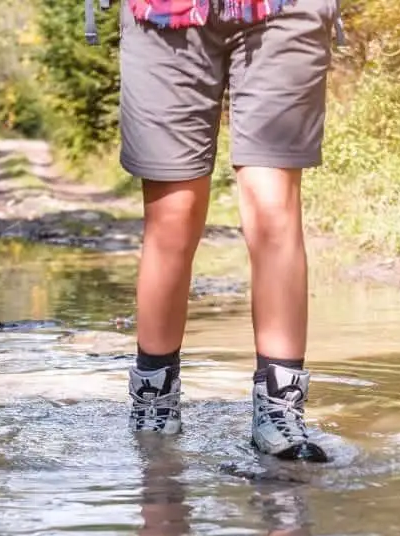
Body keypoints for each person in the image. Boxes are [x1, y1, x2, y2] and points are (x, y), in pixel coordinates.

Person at [107, 0, 340, 462]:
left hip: (285, 10)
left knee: (273, 208)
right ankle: (154, 399)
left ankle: (280, 408)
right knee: (172, 216)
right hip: (164, 14)